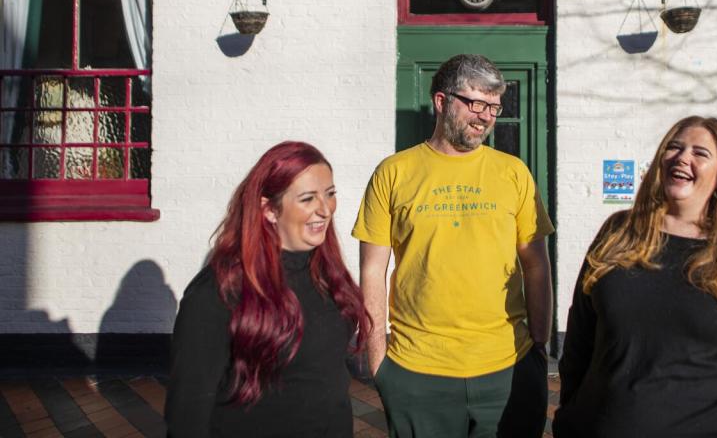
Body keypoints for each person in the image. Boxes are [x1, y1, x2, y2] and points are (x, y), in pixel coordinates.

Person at [554, 116, 717, 438]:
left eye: (700, 153)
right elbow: (579, 337)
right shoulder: (619, 233)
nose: (683, 157)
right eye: (674, 147)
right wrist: (570, 412)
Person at [353, 54, 554, 438]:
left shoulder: (513, 172)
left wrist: (540, 348)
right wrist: (378, 361)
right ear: (441, 101)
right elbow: (372, 271)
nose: (486, 116)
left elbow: (536, 264)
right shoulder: (393, 172)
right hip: (417, 371)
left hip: (508, 367)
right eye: (476, 104)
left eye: (494, 106)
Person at [165, 141, 370, 437]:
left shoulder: (328, 274)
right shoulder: (219, 292)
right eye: (308, 198)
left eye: (330, 194)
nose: (325, 210)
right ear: (270, 210)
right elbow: (188, 411)